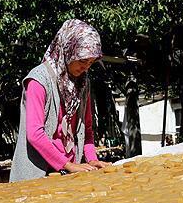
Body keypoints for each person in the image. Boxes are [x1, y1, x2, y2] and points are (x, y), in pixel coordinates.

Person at [10, 19, 110, 182]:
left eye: (91, 63)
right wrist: (67, 165)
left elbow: (87, 128)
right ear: (68, 51)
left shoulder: (83, 83)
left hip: (70, 173)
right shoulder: (38, 81)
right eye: (83, 61)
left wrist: (91, 159)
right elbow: (35, 134)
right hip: (38, 175)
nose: (86, 68)